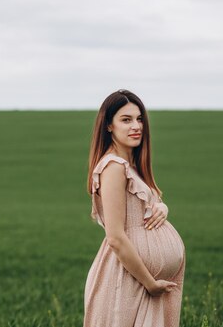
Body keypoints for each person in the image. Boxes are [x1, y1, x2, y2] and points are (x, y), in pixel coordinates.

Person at [83, 89, 185, 327]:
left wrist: (162, 208)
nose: (136, 126)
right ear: (109, 126)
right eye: (126, 120)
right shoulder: (113, 167)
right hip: (127, 280)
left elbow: (143, 205)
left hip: (140, 281)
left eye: (139, 119)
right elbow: (116, 237)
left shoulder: (131, 166)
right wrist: (150, 283)